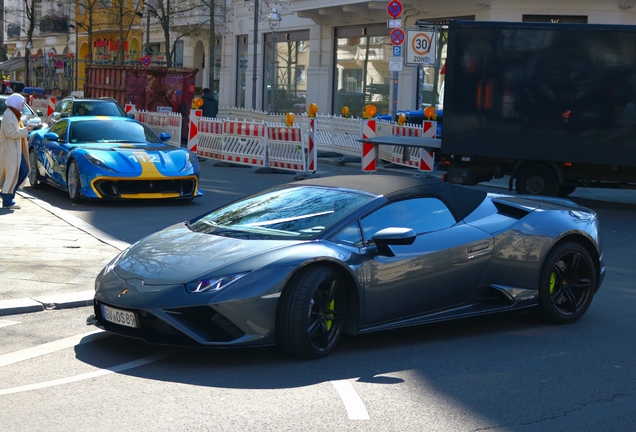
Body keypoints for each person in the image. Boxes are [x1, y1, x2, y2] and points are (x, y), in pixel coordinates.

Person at [0, 93, 34, 209]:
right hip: (10, 150)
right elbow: (10, 132)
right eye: (21, 103)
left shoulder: (14, 114)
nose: (23, 105)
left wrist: (25, 130)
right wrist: (26, 130)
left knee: (22, 171)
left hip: (15, 149)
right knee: (13, 173)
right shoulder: (9, 114)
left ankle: (7, 196)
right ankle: (7, 198)